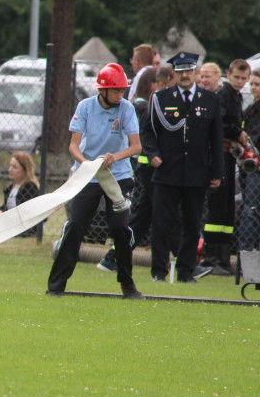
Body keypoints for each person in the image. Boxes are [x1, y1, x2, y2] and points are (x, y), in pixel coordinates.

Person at [46, 63, 143, 298]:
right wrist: (86, 164)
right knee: (76, 226)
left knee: (120, 228)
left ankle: (127, 285)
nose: (121, 95)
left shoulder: (127, 109)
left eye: (123, 90)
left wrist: (114, 157)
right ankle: (56, 286)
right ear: (103, 90)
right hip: (87, 176)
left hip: (118, 176)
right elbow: (73, 145)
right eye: (116, 91)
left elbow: (136, 146)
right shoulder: (85, 107)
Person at [140, 52, 224, 284]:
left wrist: (217, 172)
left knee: (192, 223)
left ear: (196, 73)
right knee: (161, 223)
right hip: (167, 171)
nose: (185, 76)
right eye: (180, 72)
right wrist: (153, 153)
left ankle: (186, 271)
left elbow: (217, 139)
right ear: (174, 74)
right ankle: (158, 271)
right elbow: (147, 131)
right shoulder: (160, 98)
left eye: (189, 71)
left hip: (197, 173)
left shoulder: (210, 100)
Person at [97, 67, 163, 272]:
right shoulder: (142, 106)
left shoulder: (131, 106)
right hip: (146, 167)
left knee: (138, 217)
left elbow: (137, 142)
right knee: (160, 213)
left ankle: (113, 259)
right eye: (158, 82)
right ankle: (180, 261)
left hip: (134, 168)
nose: (120, 95)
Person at [201, 59, 250, 274]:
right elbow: (219, 124)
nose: (239, 81)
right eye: (236, 77)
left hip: (229, 157)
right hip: (219, 155)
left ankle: (222, 258)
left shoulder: (236, 96)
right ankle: (210, 258)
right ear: (228, 75)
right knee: (217, 207)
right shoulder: (223, 95)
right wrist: (237, 133)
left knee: (228, 209)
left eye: (243, 78)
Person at [238, 69, 260, 255]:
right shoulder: (251, 108)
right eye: (252, 84)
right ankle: (246, 251)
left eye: (257, 84)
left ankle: (246, 249)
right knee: (250, 207)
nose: (253, 88)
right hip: (251, 165)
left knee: (251, 208)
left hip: (256, 165)